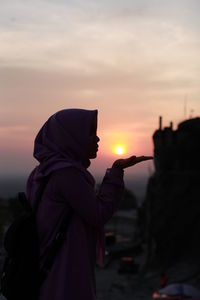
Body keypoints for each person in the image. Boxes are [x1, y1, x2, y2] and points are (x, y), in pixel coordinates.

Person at [26, 108, 153, 300]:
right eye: (90, 133)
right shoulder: (67, 173)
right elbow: (97, 213)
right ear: (71, 137)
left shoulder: (41, 172)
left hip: (46, 264)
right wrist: (116, 173)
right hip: (66, 267)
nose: (97, 139)